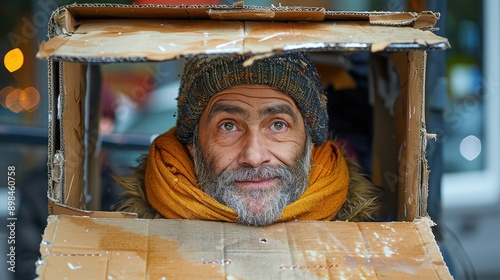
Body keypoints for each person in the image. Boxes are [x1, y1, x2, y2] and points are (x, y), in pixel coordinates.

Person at [115, 52, 381, 226]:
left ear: (311, 143)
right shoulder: (125, 247)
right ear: (192, 146)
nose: (254, 157)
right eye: (228, 126)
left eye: (278, 125)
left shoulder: (376, 249)